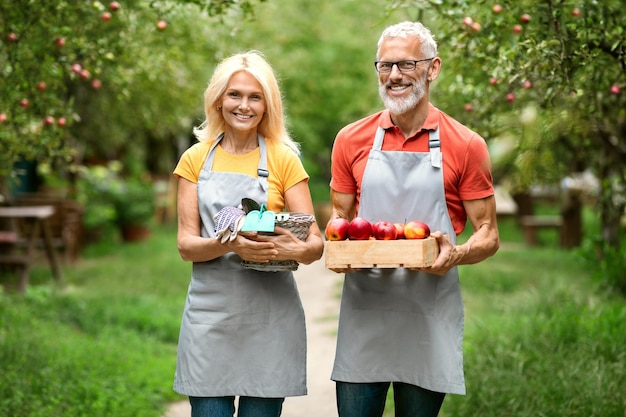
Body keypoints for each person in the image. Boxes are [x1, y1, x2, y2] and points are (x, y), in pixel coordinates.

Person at [327, 21, 500, 417]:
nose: (393, 76)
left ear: (432, 68)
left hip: (428, 312)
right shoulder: (350, 139)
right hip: (365, 310)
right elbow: (339, 217)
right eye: (384, 66)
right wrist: (339, 249)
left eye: (406, 65)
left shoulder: (466, 144)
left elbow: (488, 234)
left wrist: (454, 255)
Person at [172, 50, 324, 417]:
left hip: (269, 317)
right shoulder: (195, 159)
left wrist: (295, 248)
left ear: (267, 105)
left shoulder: (283, 158)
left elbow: (315, 243)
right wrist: (229, 243)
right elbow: (186, 245)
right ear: (218, 100)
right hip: (210, 317)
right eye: (235, 94)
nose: (244, 105)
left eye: (255, 97)